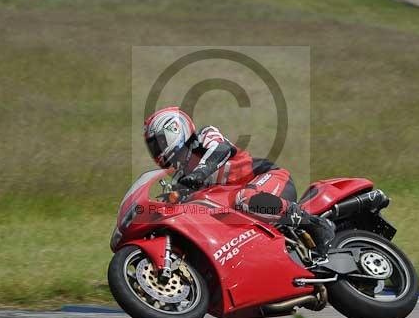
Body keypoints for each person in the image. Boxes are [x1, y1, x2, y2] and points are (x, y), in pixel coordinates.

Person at [143, 106, 335, 258]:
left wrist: (200, 173)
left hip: (267, 178)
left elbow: (221, 149)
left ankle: (315, 224)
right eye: (152, 146)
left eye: (158, 142)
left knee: (246, 199)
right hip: (244, 211)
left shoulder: (204, 137)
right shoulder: (180, 176)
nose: (156, 150)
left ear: (175, 129)